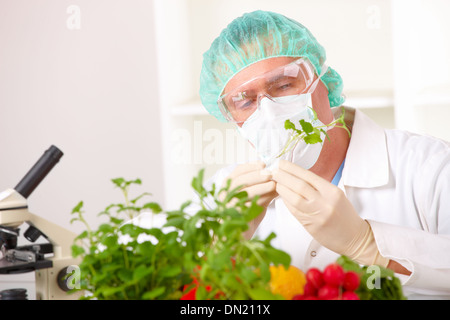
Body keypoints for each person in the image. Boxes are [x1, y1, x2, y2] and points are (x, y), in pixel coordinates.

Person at [198, 10, 450, 298]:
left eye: (283, 85)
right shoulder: (224, 194)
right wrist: (219, 252)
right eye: (244, 102)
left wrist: (368, 244)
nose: (267, 112)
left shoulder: (431, 168)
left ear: (324, 81)